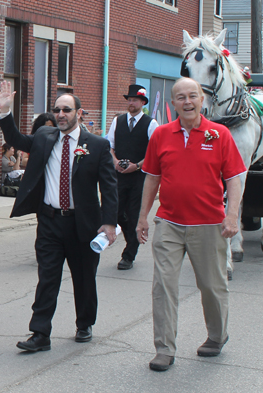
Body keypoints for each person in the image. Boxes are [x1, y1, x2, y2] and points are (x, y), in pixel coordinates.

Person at [0, 80, 118, 352]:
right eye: (57, 110)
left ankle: (84, 323)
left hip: (83, 224)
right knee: (47, 277)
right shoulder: (43, 138)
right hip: (50, 221)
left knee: (84, 277)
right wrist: (5, 112)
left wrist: (108, 223)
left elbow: (109, 187)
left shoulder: (96, 145)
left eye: (67, 110)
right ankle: (40, 333)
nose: (61, 114)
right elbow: (16, 140)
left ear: (79, 113)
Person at [136, 77, 246, 371]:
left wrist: (231, 214)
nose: (187, 102)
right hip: (169, 223)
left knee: (211, 285)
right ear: (173, 103)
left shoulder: (219, 134)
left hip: (209, 224)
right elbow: (152, 177)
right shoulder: (161, 134)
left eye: (192, 96)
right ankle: (165, 348)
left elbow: (234, 178)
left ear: (201, 100)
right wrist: (143, 216)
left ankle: (216, 336)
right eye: (181, 97)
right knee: (164, 286)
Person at [107, 84, 159, 270]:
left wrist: (136, 166)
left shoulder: (150, 124)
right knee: (118, 212)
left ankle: (129, 255)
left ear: (142, 102)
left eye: (134, 100)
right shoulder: (118, 121)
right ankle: (131, 238)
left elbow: (154, 152)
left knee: (135, 213)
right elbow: (109, 145)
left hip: (139, 177)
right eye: (129, 100)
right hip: (119, 176)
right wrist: (115, 162)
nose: (131, 103)